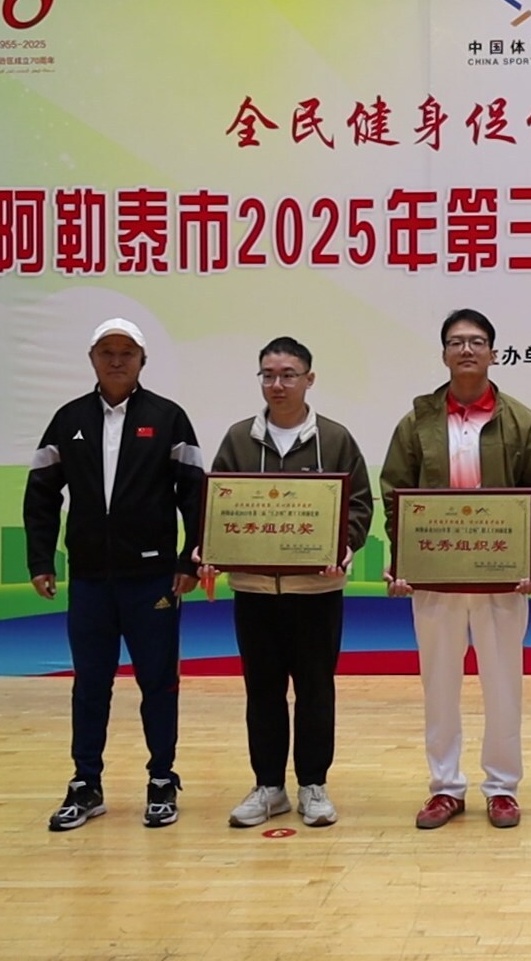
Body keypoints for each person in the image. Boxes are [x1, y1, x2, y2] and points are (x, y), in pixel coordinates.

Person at [379, 309, 531, 830]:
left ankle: (502, 788)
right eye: (456, 342)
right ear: (443, 353)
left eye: (476, 341)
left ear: (492, 353)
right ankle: (445, 787)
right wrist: (407, 558)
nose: (466, 349)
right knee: (439, 684)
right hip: (436, 578)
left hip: (500, 578)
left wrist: (527, 555)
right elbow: (395, 494)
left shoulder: (521, 421)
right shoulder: (417, 422)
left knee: (503, 685)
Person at [23, 317, 204, 831]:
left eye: (128, 352)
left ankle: (162, 779)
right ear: (92, 359)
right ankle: (86, 784)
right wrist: (40, 560)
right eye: (107, 352)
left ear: (143, 360)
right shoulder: (69, 419)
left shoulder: (168, 418)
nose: (117, 360)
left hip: (153, 580)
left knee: (158, 683)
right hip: (89, 581)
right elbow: (41, 493)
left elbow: (195, 493)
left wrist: (189, 560)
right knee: (90, 685)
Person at [202, 336, 374, 830]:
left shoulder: (335, 439)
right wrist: (210, 547)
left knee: (316, 690)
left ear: (309, 379)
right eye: (268, 375)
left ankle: (313, 785)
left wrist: (345, 545)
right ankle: (269, 787)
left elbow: (359, 504)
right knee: (263, 690)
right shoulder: (239, 438)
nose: (277, 384)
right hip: (254, 591)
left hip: (316, 592)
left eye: (288, 375)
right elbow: (218, 503)